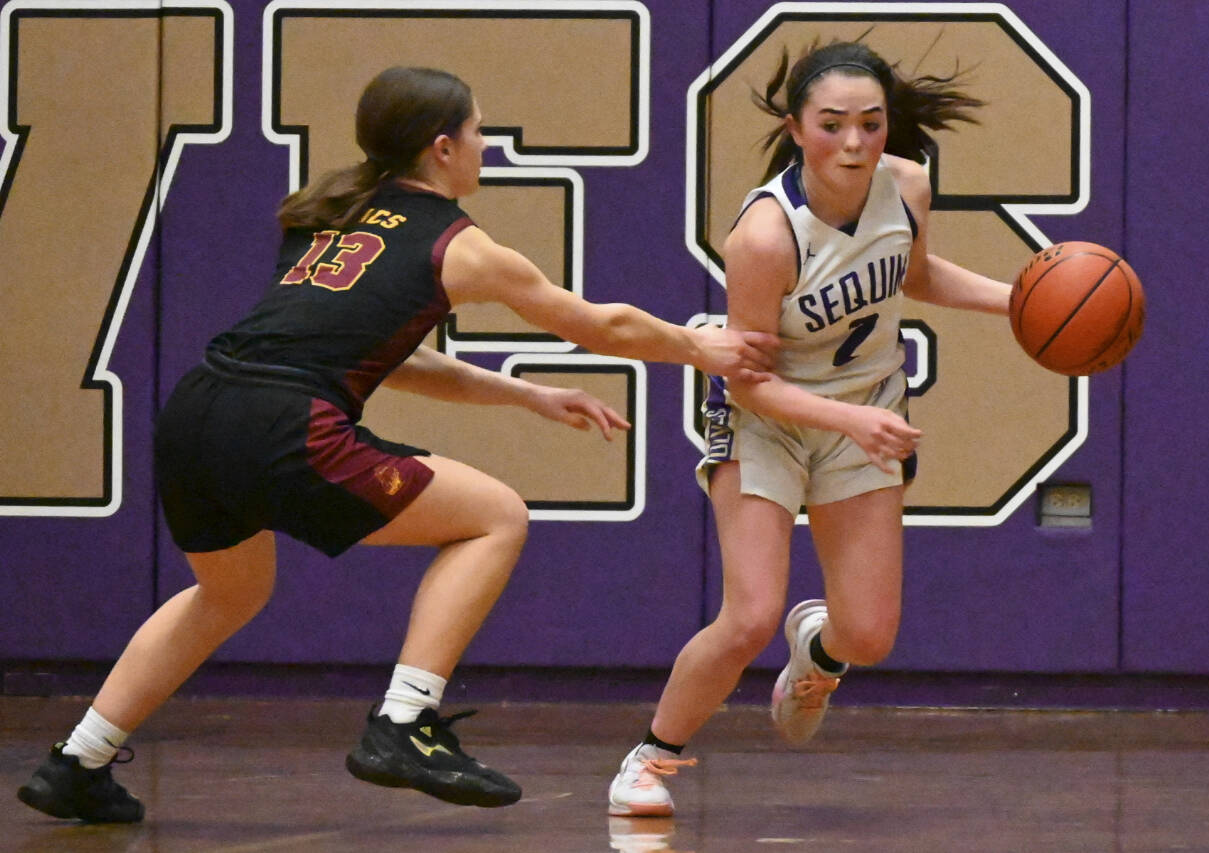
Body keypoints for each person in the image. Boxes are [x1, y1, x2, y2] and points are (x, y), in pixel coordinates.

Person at [16, 65, 779, 824]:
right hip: (285, 422)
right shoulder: (462, 244)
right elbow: (600, 325)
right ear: (442, 148)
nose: (488, 146)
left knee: (230, 590)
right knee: (496, 516)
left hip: (197, 413)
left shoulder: (331, 212)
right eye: (480, 131)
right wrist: (697, 347)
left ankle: (77, 759)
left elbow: (388, 356)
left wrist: (528, 395)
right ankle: (405, 720)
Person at [607, 40, 1012, 817]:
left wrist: (1023, 296)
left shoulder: (909, 185)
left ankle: (818, 649)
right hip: (770, 418)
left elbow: (918, 275)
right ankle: (649, 758)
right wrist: (851, 417)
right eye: (833, 125)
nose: (855, 142)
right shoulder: (764, 236)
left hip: (861, 411)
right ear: (796, 128)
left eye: (871, 123)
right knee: (750, 612)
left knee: (870, 635)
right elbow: (748, 382)